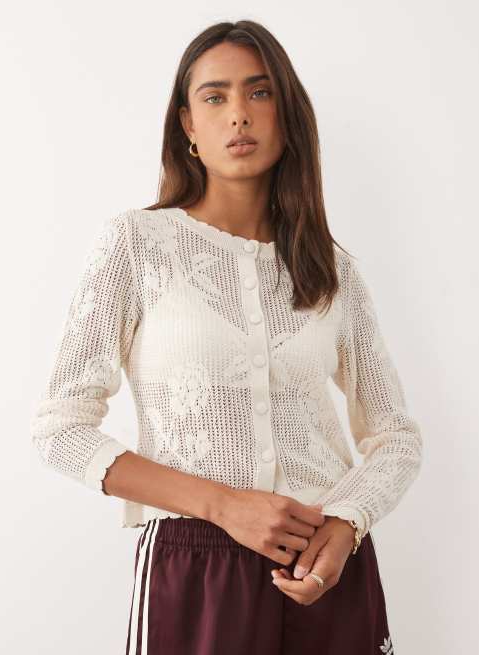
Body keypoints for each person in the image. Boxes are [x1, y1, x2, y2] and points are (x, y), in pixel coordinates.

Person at [30, 19, 422, 655]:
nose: (239, 113)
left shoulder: (332, 270)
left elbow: (395, 435)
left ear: (287, 114)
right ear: (187, 125)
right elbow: (60, 429)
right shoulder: (137, 245)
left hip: (326, 564)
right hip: (195, 568)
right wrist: (222, 504)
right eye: (215, 97)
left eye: (259, 92)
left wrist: (348, 522)